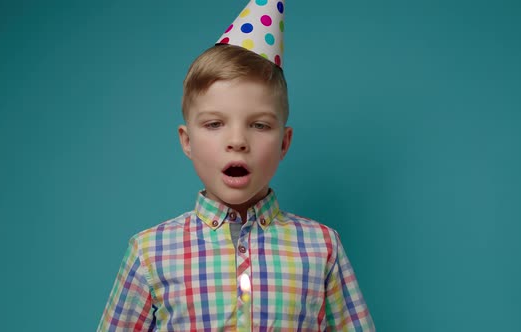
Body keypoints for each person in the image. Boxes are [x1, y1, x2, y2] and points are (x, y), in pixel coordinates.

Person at [98, 1, 374, 331]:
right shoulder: (148, 252)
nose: (238, 141)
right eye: (214, 124)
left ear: (284, 143)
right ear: (187, 141)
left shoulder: (322, 247)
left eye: (259, 125)